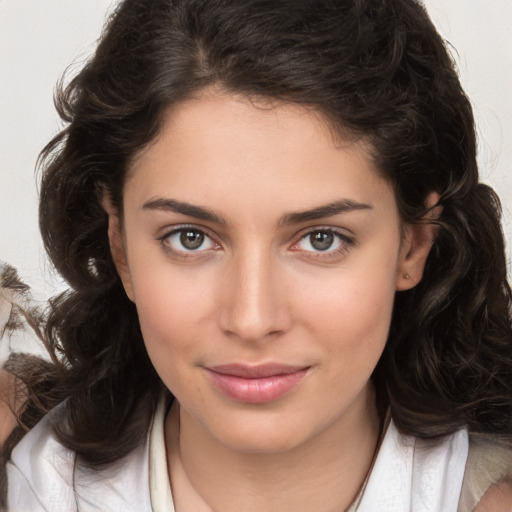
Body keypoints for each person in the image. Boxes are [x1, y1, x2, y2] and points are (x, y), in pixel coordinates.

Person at [2, 0, 512, 510]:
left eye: (321, 239)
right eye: (190, 238)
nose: (251, 319)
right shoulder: (26, 486)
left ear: (413, 243)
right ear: (121, 247)